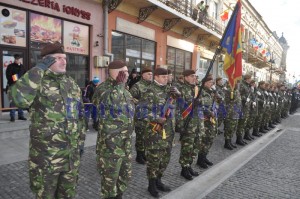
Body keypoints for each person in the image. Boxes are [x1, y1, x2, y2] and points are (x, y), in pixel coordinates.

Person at [8, 42, 86, 198]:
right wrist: (38, 70)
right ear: (46, 60)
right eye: (58, 58)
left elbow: (80, 115)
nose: (64, 61)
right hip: (47, 157)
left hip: (71, 156)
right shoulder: (37, 81)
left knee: (67, 194)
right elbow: (18, 99)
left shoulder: (71, 84)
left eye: (65, 58)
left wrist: (81, 141)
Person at [93, 60, 135, 199]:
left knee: (125, 175)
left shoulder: (125, 90)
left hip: (125, 142)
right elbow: (110, 103)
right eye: (125, 71)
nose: (128, 74)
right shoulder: (103, 88)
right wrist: (118, 85)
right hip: (110, 145)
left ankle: (119, 195)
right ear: (117, 73)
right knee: (110, 179)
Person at [138, 67, 180, 197]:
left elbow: (176, 107)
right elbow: (141, 111)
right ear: (156, 77)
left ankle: (159, 181)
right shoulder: (149, 91)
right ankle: (151, 185)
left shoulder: (170, 90)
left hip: (168, 132)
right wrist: (155, 118)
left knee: (165, 160)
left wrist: (178, 94)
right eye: (163, 77)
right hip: (155, 132)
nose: (166, 79)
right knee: (154, 160)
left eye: (167, 77)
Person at [176, 69, 203, 180]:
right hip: (188, 124)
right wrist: (180, 125)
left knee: (195, 146)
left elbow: (201, 105)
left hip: (197, 122)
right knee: (187, 147)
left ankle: (189, 165)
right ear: (186, 77)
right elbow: (177, 109)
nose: (194, 78)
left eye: (195, 76)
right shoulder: (181, 90)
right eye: (192, 76)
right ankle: (184, 168)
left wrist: (200, 102)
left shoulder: (196, 89)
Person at [130, 67, 153, 164]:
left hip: (151, 116)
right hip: (140, 116)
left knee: (147, 136)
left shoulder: (152, 86)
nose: (150, 76)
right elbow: (130, 97)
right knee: (140, 136)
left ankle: (143, 154)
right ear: (143, 75)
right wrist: (140, 103)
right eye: (148, 74)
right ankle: (139, 156)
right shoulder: (137, 86)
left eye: (151, 74)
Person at [5, 54, 27, 122]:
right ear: (15, 59)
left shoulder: (22, 67)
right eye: (17, 59)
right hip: (13, 86)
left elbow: (25, 75)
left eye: (19, 59)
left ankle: (21, 115)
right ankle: (12, 116)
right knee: (13, 101)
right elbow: (8, 76)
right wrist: (17, 79)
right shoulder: (10, 66)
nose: (18, 60)